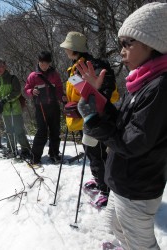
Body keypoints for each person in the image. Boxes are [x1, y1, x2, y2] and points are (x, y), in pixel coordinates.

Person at [76, 2, 167, 249]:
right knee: (116, 225)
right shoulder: (142, 80)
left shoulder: (159, 88)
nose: (122, 51)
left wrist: (94, 121)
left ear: (152, 43)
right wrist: (99, 103)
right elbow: (124, 123)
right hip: (123, 180)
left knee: (142, 243)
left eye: (128, 43)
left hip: (137, 186)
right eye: (120, 44)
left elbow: (133, 141)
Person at [60, 31, 118, 207]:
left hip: (95, 119)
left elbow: (106, 95)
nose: (64, 50)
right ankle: (98, 180)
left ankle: (106, 190)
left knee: (98, 154)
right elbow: (80, 93)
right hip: (84, 120)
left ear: (73, 49)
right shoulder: (75, 66)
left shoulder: (92, 66)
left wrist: (81, 109)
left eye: (66, 47)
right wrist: (71, 103)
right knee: (91, 153)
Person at [24, 51, 63, 164]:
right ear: (38, 62)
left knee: (55, 131)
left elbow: (59, 88)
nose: (44, 66)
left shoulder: (54, 74)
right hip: (40, 107)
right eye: (41, 63)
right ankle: (35, 156)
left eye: (46, 63)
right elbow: (26, 89)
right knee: (42, 131)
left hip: (54, 106)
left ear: (49, 63)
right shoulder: (33, 76)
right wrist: (31, 91)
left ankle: (54, 153)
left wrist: (62, 98)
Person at [0, 58, 31, 158]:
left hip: (15, 109)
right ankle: (12, 150)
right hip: (5, 111)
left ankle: (26, 150)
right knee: (9, 131)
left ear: (5, 66)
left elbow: (17, 92)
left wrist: (4, 100)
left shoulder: (12, 78)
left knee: (19, 130)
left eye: (0, 66)